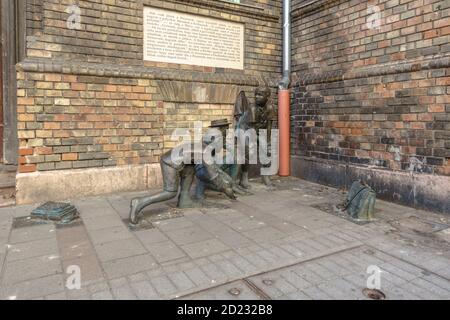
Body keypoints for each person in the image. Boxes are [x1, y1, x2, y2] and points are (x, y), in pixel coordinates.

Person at [129, 139, 236, 225]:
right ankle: (140, 202)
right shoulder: (205, 151)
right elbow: (213, 175)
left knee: (190, 170)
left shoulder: (201, 146)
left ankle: (184, 200)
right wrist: (226, 188)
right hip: (169, 163)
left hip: (180, 162)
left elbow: (215, 170)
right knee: (169, 192)